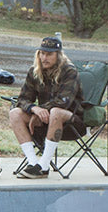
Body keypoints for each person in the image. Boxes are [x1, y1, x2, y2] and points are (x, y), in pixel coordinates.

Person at [8, 36, 84, 178]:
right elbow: (23, 99)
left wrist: (39, 112)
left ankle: (44, 166)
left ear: (58, 55)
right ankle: (33, 164)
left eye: (49, 54)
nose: (44, 58)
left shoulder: (69, 71)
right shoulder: (34, 71)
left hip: (72, 122)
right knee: (15, 113)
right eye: (42, 53)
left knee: (56, 111)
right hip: (44, 120)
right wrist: (34, 109)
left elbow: (63, 102)